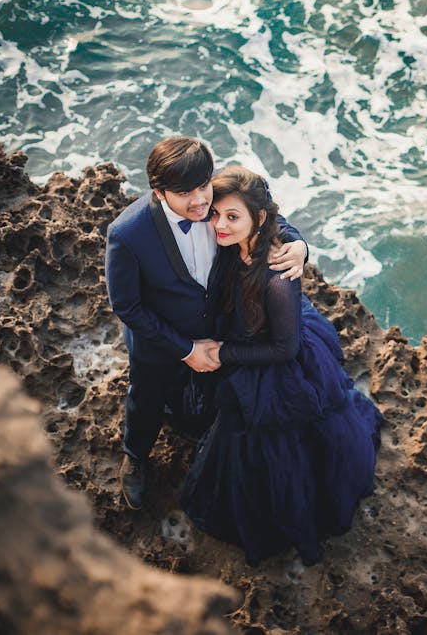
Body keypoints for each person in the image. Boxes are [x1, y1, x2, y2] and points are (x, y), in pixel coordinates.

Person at [180, 165, 382, 565]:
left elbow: (284, 350)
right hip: (247, 337)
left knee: (273, 454)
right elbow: (259, 212)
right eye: (215, 214)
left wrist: (223, 353)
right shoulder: (233, 238)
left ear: (258, 219)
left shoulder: (276, 275)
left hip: (274, 363)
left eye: (231, 217)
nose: (219, 224)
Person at [105, 137, 307, 510]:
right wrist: (185, 350)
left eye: (203, 187)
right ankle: (135, 456)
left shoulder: (212, 192)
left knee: (206, 390)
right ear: (159, 191)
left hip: (219, 324)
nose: (200, 201)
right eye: (185, 193)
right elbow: (127, 307)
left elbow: (259, 209)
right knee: (146, 399)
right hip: (160, 342)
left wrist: (299, 244)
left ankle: (190, 420)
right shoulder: (127, 234)